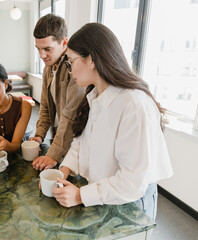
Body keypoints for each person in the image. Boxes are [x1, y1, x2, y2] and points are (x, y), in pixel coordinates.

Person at [52, 23, 173, 220]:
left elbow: (132, 182)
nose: (70, 70)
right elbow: (81, 142)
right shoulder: (95, 94)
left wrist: (80, 195)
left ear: (90, 59)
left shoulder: (134, 104)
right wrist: (64, 171)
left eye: (71, 62)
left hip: (130, 202)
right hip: (101, 193)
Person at [29, 14, 86, 171]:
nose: (42, 55)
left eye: (47, 49)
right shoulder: (48, 67)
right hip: (59, 139)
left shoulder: (75, 68)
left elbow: (71, 116)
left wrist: (53, 154)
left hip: (75, 142)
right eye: (38, 49)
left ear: (64, 43)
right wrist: (39, 135)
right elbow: (46, 106)